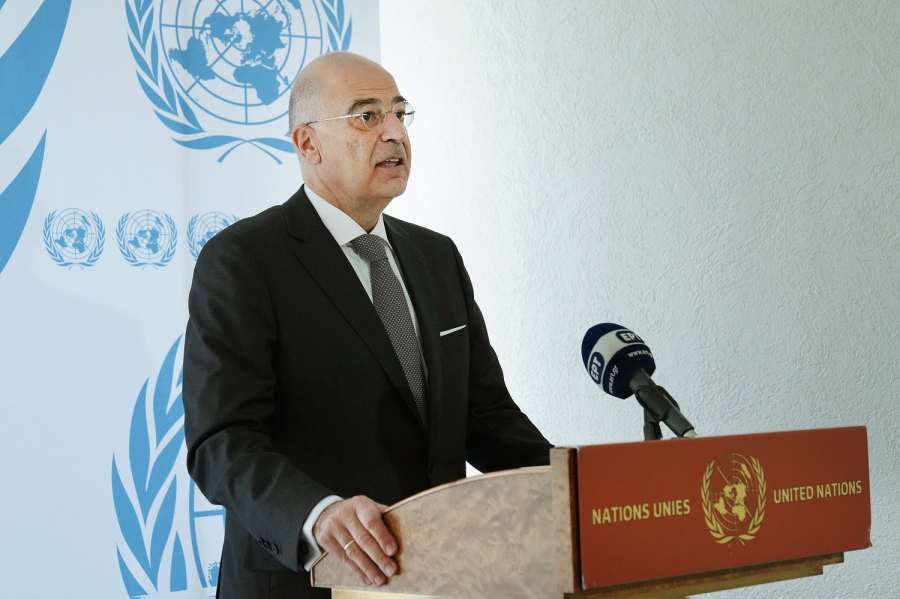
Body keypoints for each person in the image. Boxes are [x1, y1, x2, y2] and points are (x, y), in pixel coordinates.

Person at [183, 52, 552, 599]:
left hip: (438, 578)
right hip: (308, 583)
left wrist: (578, 491)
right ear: (308, 144)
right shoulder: (245, 261)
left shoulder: (437, 257)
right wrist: (318, 513)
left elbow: (487, 418)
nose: (395, 132)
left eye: (399, 112)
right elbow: (222, 442)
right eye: (367, 116)